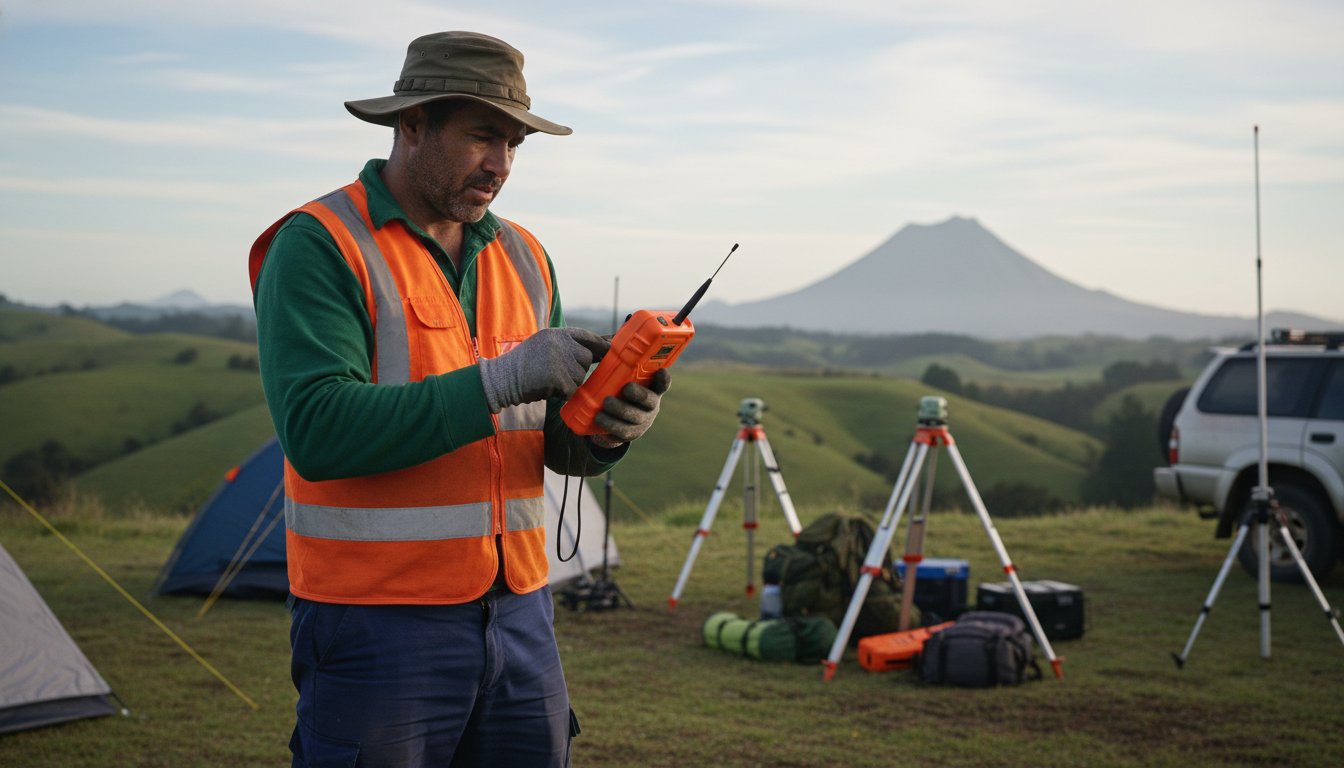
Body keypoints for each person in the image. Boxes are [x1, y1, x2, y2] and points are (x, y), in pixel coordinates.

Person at [248, 31, 669, 767]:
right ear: (411, 125)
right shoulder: (319, 243)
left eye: (514, 143)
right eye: (482, 136)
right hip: (376, 619)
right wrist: (503, 379)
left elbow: (549, 445)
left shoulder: (526, 256)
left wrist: (607, 430)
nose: (501, 165)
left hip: (521, 609)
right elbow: (316, 431)